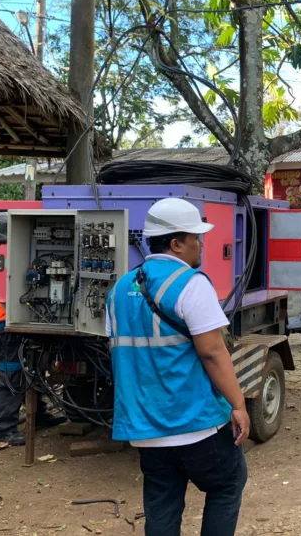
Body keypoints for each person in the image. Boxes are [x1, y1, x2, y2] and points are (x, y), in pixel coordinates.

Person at [106, 198, 250, 536]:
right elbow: (213, 353)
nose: (200, 244)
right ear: (176, 244)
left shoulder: (119, 288)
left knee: (162, 504)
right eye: (195, 238)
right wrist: (238, 405)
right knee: (228, 483)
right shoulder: (191, 284)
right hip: (194, 422)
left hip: (146, 429)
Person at [0, 302, 65, 446]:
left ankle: (39, 416)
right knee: (11, 375)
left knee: (35, 371)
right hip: (9, 321)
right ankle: (4, 429)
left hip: (29, 318)